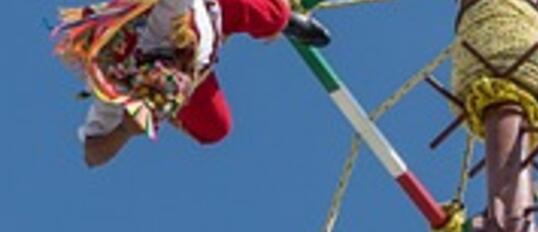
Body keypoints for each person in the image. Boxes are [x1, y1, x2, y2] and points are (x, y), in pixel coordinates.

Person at [52, 0, 335, 167]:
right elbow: (93, 154)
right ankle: (188, 73)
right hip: (188, 59)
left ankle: (284, 21)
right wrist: (126, 130)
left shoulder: (162, 17)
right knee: (214, 127)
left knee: (272, 15)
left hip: (218, 11)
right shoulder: (117, 82)